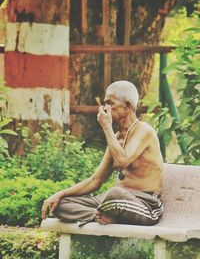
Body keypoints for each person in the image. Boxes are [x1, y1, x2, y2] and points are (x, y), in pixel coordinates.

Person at [41, 81, 164, 226]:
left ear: (128, 106)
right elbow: (95, 181)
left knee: (114, 193)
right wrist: (61, 194)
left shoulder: (144, 130)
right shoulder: (117, 138)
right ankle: (101, 216)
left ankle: (106, 213)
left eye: (110, 103)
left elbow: (121, 161)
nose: (104, 108)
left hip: (145, 204)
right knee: (60, 204)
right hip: (113, 203)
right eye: (104, 103)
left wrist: (107, 127)